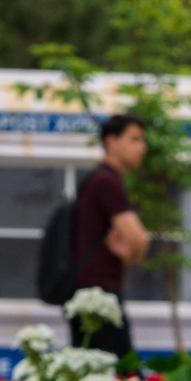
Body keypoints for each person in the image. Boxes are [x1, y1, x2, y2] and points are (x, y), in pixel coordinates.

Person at [72, 113, 150, 356]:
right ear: (111, 142)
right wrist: (132, 255)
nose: (142, 148)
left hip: (88, 294)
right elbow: (139, 239)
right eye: (134, 140)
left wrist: (129, 254)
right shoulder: (106, 181)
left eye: (143, 141)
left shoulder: (97, 178)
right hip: (99, 298)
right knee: (119, 373)